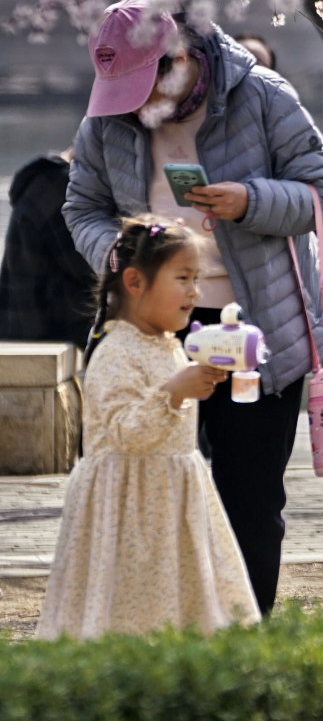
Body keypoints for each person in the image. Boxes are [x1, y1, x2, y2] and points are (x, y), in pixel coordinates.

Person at [64, 0, 323, 614]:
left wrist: (251, 200)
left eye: (148, 82)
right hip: (150, 327)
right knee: (139, 482)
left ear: (183, 55)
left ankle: (245, 637)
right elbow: (81, 206)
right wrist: (118, 256)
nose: (140, 105)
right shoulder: (106, 119)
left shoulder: (265, 95)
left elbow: (322, 195)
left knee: (249, 494)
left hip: (254, 323)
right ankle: (147, 632)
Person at [36, 216, 259, 639]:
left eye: (197, 279)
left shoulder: (169, 345)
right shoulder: (115, 351)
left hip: (173, 499)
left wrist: (194, 379)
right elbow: (124, 433)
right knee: (131, 602)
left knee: (181, 596)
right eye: (183, 278)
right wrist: (174, 392)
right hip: (129, 507)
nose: (195, 292)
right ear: (135, 282)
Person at [0, 146, 95, 349]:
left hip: (24, 333)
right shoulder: (61, 190)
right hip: (39, 341)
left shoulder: (50, 182)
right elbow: (97, 273)